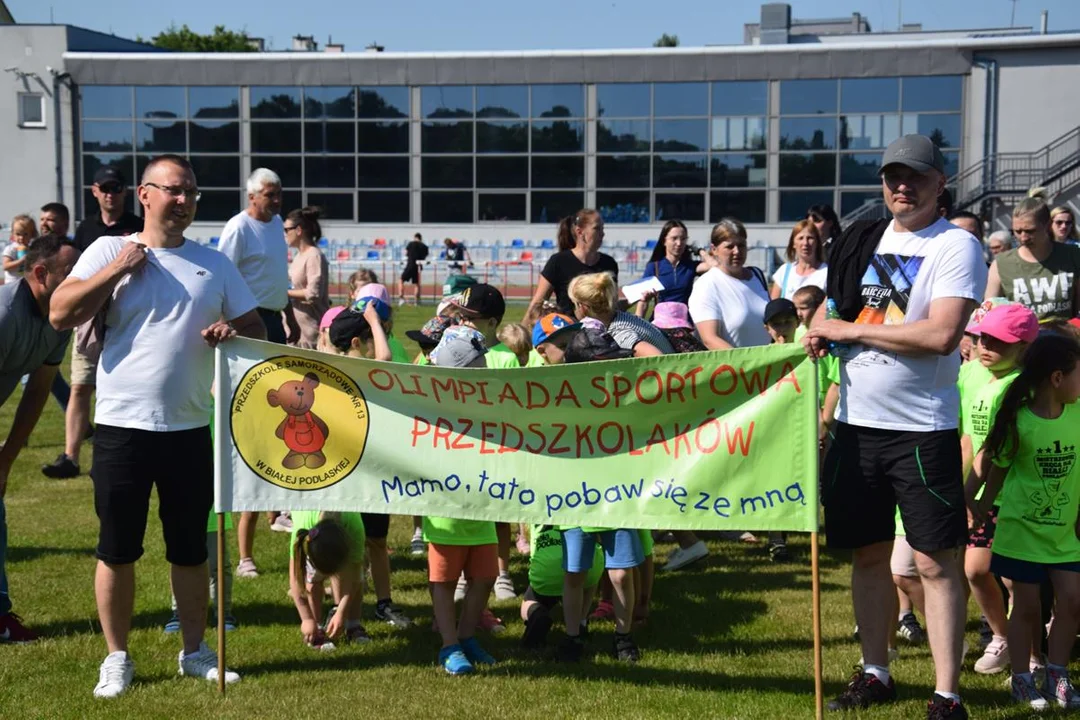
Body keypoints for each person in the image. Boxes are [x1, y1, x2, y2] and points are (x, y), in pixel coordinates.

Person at [50, 154, 264, 698]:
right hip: (121, 426)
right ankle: (116, 658)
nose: (185, 200)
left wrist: (227, 331)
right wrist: (119, 268)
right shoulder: (107, 249)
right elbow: (60, 312)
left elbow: (253, 327)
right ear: (145, 195)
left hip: (190, 427)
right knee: (116, 548)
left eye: (192, 191)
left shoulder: (213, 263)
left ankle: (194, 652)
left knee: (190, 548)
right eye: (175, 190)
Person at [804, 134, 987, 718]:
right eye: (891, 176)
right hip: (857, 425)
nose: (901, 186)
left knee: (935, 562)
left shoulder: (957, 246)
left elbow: (940, 335)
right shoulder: (861, 238)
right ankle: (876, 672)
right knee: (867, 556)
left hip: (922, 430)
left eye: (915, 176)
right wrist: (822, 328)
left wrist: (847, 331)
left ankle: (946, 694)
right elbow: (839, 310)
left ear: (940, 183)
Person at [973, 333, 1080, 710]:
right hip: (1021, 532)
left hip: (1064, 535)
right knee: (1028, 607)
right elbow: (997, 470)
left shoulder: (1078, 414)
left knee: (1072, 602)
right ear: (1056, 378)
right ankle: (1021, 678)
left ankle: (1056, 674)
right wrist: (978, 505)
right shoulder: (1019, 420)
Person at [0, 234, 80, 643]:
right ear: (39, 273)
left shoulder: (59, 320)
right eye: (71, 274)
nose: (80, 281)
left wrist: (8, 457)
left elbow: (38, 390)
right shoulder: (4, 315)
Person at [220, 168, 298, 575]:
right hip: (244, 324)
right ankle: (246, 535)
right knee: (251, 415)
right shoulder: (238, 228)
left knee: (278, 413)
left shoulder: (273, 229)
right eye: (271, 194)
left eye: (279, 193)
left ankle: (275, 507)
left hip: (272, 321)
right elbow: (222, 277)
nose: (277, 200)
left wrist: (288, 316)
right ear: (252, 196)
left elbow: (276, 278)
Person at [43, 167, 143, 480]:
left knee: (123, 387)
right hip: (90, 320)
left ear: (127, 192)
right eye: (107, 188)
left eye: (118, 187)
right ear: (95, 191)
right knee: (81, 385)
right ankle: (71, 456)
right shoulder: (86, 230)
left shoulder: (139, 227)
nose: (112, 194)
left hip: (128, 319)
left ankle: (120, 455)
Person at [959, 303, 1037, 676]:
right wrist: (966, 495)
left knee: (1015, 580)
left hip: (1016, 497)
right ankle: (1004, 637)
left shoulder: (1018, 388)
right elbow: (977, 445)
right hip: (989, 497)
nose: (985, 346)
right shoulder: (983, 381)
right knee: (975, 570)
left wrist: (977, 497)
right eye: (983, 338)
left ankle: (1036, 658)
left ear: (1023, 347)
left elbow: (997, 452)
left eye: (998, 342)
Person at [558, 327, 644, 664]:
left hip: (618, 493)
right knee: (575, 571)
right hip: (574, 497)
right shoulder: (558, 401)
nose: (613, 370)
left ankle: (623, 637)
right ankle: (572, 635)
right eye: (606, 363)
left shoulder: (627, 398)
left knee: (621, 572)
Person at [426, 325, 500, 675]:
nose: (482, 374)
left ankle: (467, 636)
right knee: (442, 580)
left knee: (484, 577)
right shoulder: (430, 399)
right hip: (445, 511)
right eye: (476, 368)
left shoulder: (488, 402)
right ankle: (448, 645)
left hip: (481, 504)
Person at [985, 189, 1080, 321]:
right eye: (1017, 231)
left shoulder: (1072, 255)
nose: (1023, 237)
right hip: (1020, 340)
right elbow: (989, 315)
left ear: (1047, 226)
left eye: (1030, 231)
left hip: (1064, 338)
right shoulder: (1001, 264)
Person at [289, 512, 370, 649]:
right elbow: (296, 580)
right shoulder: (304, 530)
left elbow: (355, 578)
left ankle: (353, 625)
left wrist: (342, 612)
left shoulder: (355, 528)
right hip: (306, 512)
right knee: (313, 580)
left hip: (345, 528)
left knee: (351, 577)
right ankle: (317, 627)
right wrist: (307, 619)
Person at [689, 218, 771, 351]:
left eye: (741, 245)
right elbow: (710, 339)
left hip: (768, 368)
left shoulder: (757, 276)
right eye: (729, 246)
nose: (737, 251)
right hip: (736, 369)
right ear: (714, 249)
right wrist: (747, 364)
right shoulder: (706, 285)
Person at [524, 209, 619, 322]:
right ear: (580, 232)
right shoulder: (558, 262)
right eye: (597, 228)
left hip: (601, 334)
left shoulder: (609, 264)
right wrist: (521, 334)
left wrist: (634, 299)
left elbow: (613, 307)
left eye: (603, 228)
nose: (602, 233)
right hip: (568, 334)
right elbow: (537, 304)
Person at [520, 525, 603, 650]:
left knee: (529, 600)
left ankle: (536, 612)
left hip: (547, 570)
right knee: (590, 571)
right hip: (585, 564)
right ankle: (581, 621)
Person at [568, 272, 673, 357]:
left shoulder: (619, 333)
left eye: (574, 304)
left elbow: (661, 360)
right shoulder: (618, 317)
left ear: (583, 307)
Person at [636, 220, 706, 315]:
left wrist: (699, 250)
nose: (679, 243)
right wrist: (637, 326)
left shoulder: (691, 266)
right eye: (674, 238)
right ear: (664, 241)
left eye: (683, 239)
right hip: (660, 324)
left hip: (685, 325)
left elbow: (715, 265)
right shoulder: (654, 266)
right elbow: (643, 300)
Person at [284, 207, 329, 350]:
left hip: (311, 332)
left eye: (287, 230)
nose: (285, 234)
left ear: (298, 230)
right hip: (297, 330)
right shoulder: (298, 256)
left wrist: (284, 293)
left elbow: (313, 294)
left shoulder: (314, 255)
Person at [771, 220, 828, 301]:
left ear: (817, 243)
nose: (805, 243)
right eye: (800, 238)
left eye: (810, 238)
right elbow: (773, 306)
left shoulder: (826, 273)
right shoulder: (784, 271)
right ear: (793, 243)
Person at [2, 215, 36, 285]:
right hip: (12, 284)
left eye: (25, 234)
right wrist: (20, 261)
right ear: (12, 234)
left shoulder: (32, 249)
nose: (21, 237)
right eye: (18, 234)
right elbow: (5, 266)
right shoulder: (11, 248)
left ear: (32, 234)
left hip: (26, 283)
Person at [398, 232, 428, 305]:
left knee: (401, 280)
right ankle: (416, 301)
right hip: (418, 266)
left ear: (415, 237)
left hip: (410, 265)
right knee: (416, 284)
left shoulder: (411, 244)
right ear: (421, 238)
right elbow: (424, 257)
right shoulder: (425, 246)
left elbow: (406, 253)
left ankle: (401, 298)